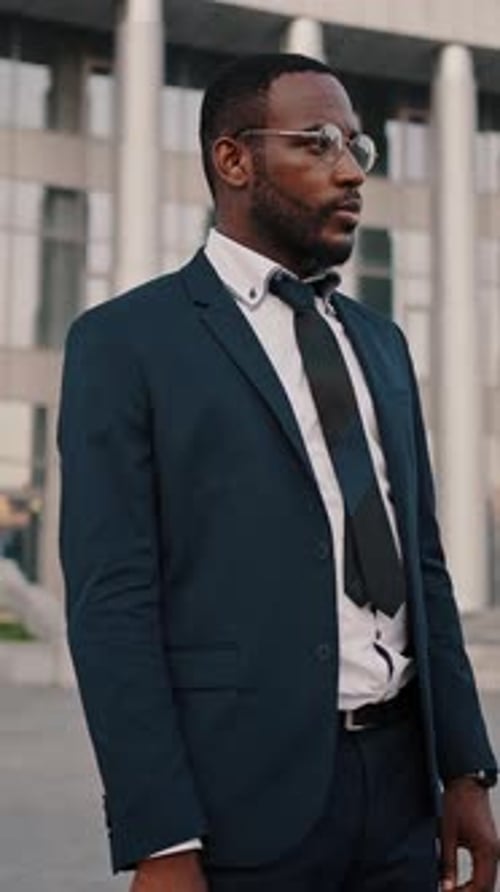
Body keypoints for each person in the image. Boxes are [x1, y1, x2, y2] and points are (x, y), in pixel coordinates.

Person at [58, 53, 499, 892]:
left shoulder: (381, 343)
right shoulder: (126, 344)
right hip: (242, 812)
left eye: (359, 148)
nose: (349, 171)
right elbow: (112, 605)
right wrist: (161, 836)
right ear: (233, 160)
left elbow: (423, 566)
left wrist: (466, 770)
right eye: (319, 142)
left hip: (403, 795)